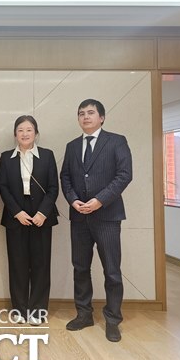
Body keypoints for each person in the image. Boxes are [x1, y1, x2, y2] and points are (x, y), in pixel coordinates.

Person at [60, 98, 132, 342]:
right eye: (81, 113)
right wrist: (73, 200)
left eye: (90, 113)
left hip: (107, 217)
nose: (85, 117)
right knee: (80, 268)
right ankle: (84, 314)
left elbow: (124, 175)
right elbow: (65, 178)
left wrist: (100, 200)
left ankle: (112, 320)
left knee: (111, 271)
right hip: (79, 217)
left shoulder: (116, 141)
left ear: (101, 117)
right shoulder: (71, 146)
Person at [0, 115, 59, 326]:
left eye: (29, 130)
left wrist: (42, 212)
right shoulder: (6, 157)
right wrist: (17, 212)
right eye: (21, 130)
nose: (25, 134)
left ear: (36, 133)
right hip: (16, 215)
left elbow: (53, 188)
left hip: (42, 215)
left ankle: (38, 311)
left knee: (41, 265)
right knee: (17, 264)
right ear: (15, 134)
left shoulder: (48, 156)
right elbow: (2, 186)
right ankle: (20, 310)